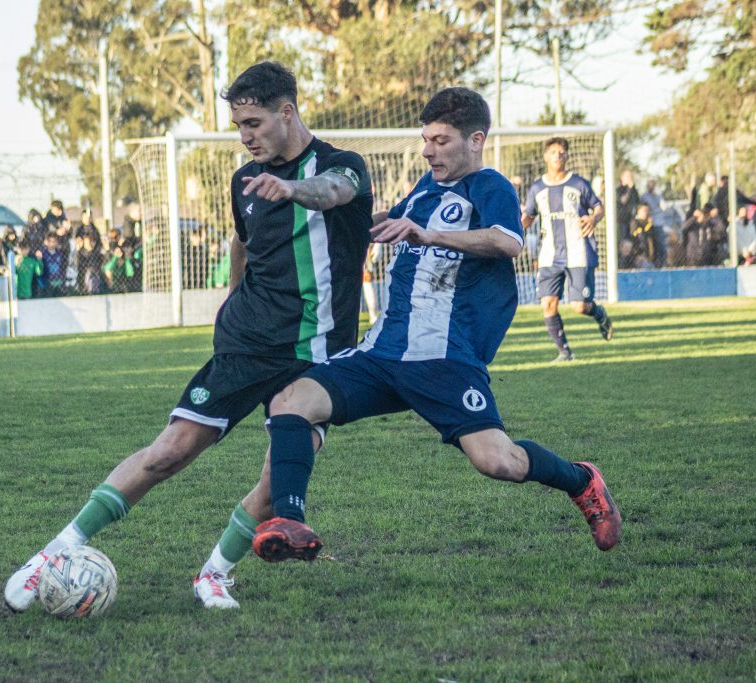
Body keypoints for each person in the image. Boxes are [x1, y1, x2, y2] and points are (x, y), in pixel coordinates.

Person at [3, 61, 374, 613]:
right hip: (247, 343)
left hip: (319, 355)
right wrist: (231, 298)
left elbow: (333, 193)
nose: (245, 137)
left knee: (278, 475)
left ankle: (214, 574)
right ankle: (51, 555)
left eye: (253, 123)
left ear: (287, 112)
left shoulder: (344, 167)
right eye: (238, 126)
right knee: (170, 451)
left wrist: (292, 188)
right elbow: (242, 242)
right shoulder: (244, 180)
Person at [236, 88, 620, 600]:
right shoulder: (423, 188)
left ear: (475, 140)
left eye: (440, 141)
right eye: (425, 140)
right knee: (291, 402)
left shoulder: (490, 185)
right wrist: (331, 220)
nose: (428, 151)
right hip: (384, 352)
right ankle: (290, 522)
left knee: (497, 462)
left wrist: (429, 236)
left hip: (445, 359)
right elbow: (388, 224)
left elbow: (509, 241)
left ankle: (581, 481)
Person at [522, 137, 613, 362]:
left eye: (562, 152)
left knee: (579, 306)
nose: (558, 156)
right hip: (550, 254)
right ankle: (565, 352)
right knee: (548, 303)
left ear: (567, 156)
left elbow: (598, 206)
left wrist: (594, 218)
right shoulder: (537, 188)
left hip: (578, 251)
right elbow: (529, 216)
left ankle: (600, 314)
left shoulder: (579, 183)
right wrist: (512, 234)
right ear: (546, 156)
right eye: (553, 152)